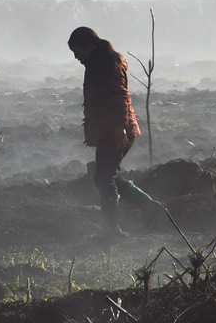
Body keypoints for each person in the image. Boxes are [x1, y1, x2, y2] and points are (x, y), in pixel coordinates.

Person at [68, 26, 163, 237]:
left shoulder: (109, 65)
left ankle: (112, 229)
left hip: (117, 131)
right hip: (107, 131)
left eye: (78, 52)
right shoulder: (95, 63)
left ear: (90, 46)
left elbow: (120, 97)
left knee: (104, 177)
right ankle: (149, 207)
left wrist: (120, 127)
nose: (76, 57)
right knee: (104, 176)